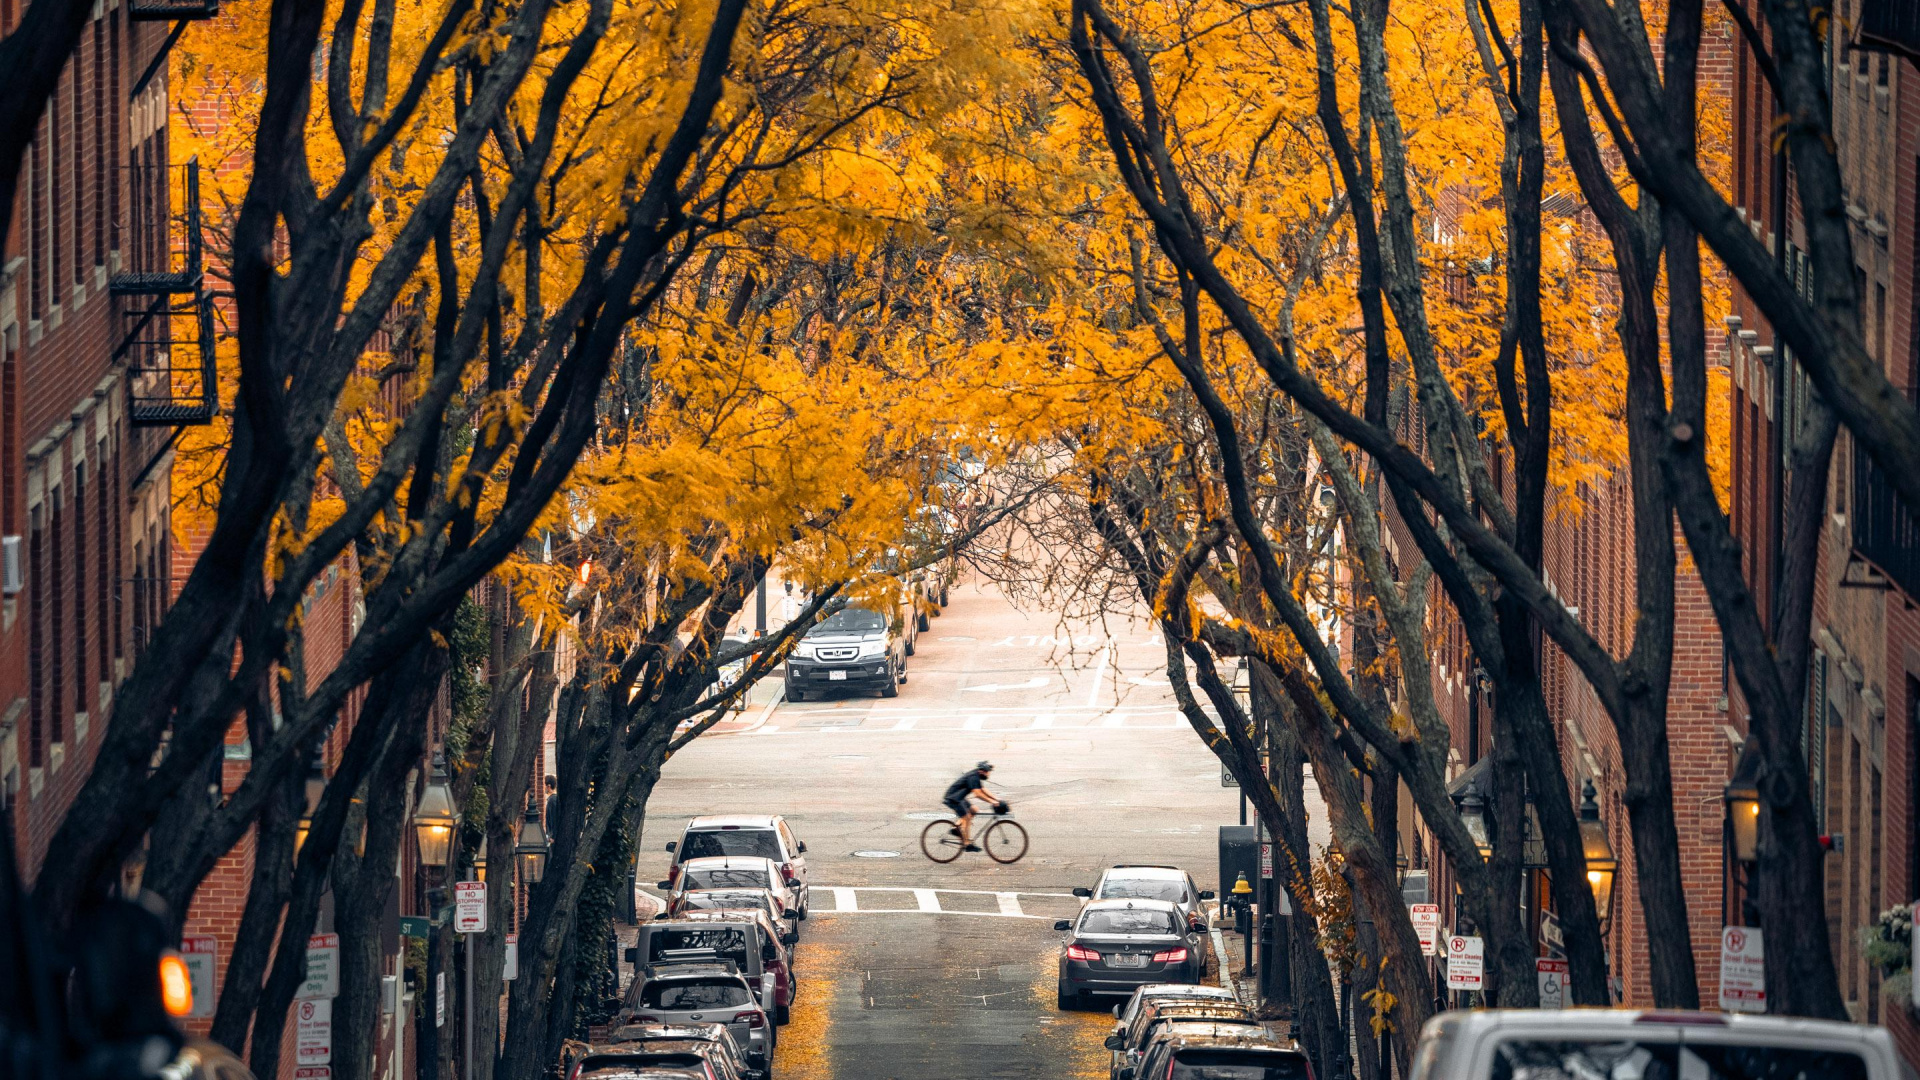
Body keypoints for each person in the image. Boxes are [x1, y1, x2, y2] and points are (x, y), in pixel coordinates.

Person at [941, 761, 1003, 851]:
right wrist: (992, 802)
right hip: (953, 798)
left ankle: (955, 829)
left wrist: (996, 799)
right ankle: (967, 845)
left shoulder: (976, 775)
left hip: (959, 797)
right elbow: (977, 794)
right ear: (982, 771)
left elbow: (983, 789)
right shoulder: (973, 777)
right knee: (966, 818)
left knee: (974, 809)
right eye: (987, 772)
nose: (988, 775)